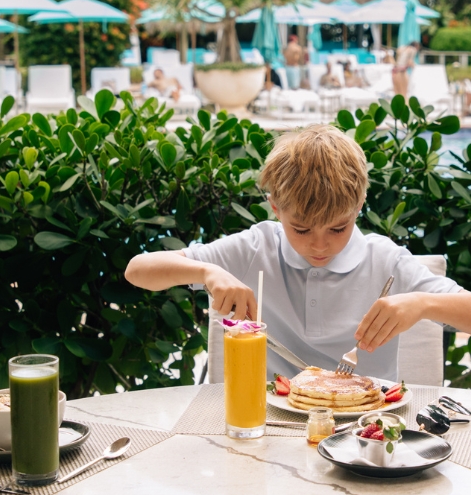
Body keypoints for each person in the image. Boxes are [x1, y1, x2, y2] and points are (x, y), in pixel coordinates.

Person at [125, 125, 470, 381]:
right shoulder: (256, 247)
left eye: (338, 228)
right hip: (267, 428)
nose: (319, 245)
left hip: (362, 435)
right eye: (301, 229)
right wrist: (206, 273)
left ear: (360, 205)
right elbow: (137, 270)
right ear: (275, 207)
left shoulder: (387, 262)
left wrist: (424, 304)